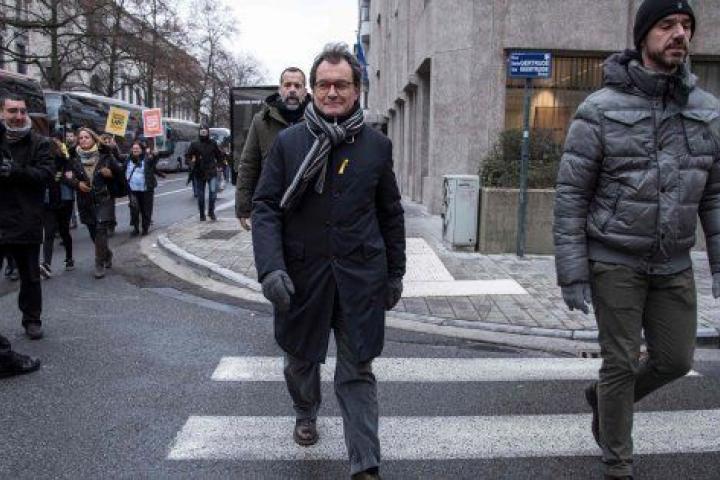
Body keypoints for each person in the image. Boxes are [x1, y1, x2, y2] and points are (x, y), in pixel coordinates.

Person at [553, 1, 720, 478]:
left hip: (674, 262)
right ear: (644, 35)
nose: (679, 34)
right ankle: (617, 462)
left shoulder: (707, 110)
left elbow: (714, 195)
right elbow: (571, 196)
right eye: (667, 25)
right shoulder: (599, 109)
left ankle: (603, 399)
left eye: (686, 25)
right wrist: (572, 273)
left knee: (675, 360)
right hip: (615, 260)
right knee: (621, 362)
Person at [252, 43, 405, 480]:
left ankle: (365, 463)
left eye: (341, 85)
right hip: (302, 278)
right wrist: (271, 268)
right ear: (313, 90)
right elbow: (265, 207)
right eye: (324, 85)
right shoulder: (289, 143)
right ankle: (305, 410)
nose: (332, 92)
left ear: (357, 90)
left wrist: (395, 273)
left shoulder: (377, 146)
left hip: (361, 278)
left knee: (357, 371)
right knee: (300, 362)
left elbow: (390, 214)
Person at [0, 94, 54, 340]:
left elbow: (46, 175)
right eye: (13, 111)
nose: (19, 116)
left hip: (26, 219)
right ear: (2, 113)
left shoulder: (39, 142)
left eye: (22, 111)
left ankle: (32, 319)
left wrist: (16, 171)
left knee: (30, 276)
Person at [236, 67, 309, 231]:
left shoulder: (316, 120)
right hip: (270, 207)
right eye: (287, 85)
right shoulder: (261, 121)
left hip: (308, 209)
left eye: (297, 86)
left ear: (305, 91)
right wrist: (243, 206)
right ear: (280, 89)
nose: (292, 90)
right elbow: (248, 164)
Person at [71, 127, 122, 279]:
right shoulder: (73, 157)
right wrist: (77, 184)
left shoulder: (105, 156)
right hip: (85, 201)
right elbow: (66, 177)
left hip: (103, 198)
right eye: (81, 138)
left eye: (87, 137)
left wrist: (110, 174)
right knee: (94, 233)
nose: (83, 140)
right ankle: (107, 254)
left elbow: (120, 173)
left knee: (100, 230)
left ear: (93, 139)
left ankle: (99, 263)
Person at [40, 133, 76, 278]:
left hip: (64, 200)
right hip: (48, 201)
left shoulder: (65, 161)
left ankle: (69, 258)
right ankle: (46, 264)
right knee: (48, 233)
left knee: (64, 231)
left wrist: (63, 177)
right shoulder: (42, 163)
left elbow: (70, 179)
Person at [125, 140, 164, 236]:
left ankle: (145, 228)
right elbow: (118, 159)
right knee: (134, 209)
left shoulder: (147, 159)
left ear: (141, 150)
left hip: (146, 189)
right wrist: (113, 147)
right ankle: (135, 228)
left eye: (137, 148)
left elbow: (154, 161)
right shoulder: (128, 159)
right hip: (132, 190)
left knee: (146, 209)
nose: (135, 150)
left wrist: (156, 155)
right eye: (134, 148)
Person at [187, 126, 223, 221]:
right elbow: (188, 156)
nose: (203, 134)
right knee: (201, 196)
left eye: (205, 132)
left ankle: (211, 211)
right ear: (199, 132)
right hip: (199, 172)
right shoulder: (194, 144)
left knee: (213, 192)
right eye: (202, 132)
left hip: (211, 171)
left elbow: (219, 155)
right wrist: (191, 163)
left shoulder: (213, 143)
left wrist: (219, 165)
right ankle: (202, 214)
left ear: (208, 132)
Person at [64, 129, 79, 229]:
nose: (69, 138)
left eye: (71, 136)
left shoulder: (77, 147)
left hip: (78, 174)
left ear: (75, 137)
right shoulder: (64, 147)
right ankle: (72, 220)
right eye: (67, 136)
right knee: (70, 198)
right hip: (69, 175)